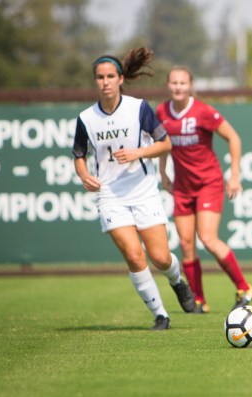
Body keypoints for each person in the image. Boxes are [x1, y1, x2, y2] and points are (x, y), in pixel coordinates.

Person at [72, 48, 195, 330]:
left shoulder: (138, 108)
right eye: (100, 77)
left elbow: (165, 144)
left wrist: (138, 153)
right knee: (134, 255)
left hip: (142, 191)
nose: (105, 82)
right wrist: (84, 176)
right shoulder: (86, 118)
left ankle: (177, 281)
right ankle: (161, 315)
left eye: (110, 76)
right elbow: (79, 154)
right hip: (110, 195)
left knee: (161, 258)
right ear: (96, 81)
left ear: (120, 79)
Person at [156, 66, 252, 313]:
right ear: (168, 85)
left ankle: (244, 287)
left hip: (208, 183)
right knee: (186, 244)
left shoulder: (203, 111)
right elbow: (163, 144)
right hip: (182, 187)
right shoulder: (161, 111)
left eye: (182, 83)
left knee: (208, 238)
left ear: (190, 85)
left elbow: (233, 138)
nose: (178, 87)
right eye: (174, 83)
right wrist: (162, 173)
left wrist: (234, 175)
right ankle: (199, 300)